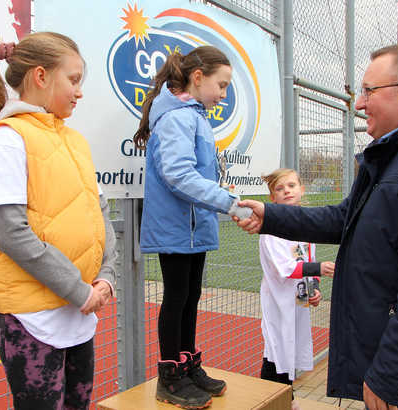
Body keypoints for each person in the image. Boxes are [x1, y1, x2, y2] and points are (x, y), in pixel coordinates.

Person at [236, 44, 398, 409]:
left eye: (368, 91)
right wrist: (272, 215)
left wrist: (390, 372)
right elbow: (344, 219)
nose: (359, 104)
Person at [0, 32, 117, 409]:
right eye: (73, 80)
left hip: (80, 314)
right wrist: (78, 289)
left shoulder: (76, 142)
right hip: (34, 319)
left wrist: (106, 277)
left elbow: (99, 215)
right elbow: (11, 233)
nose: (79, 92)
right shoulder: (7, 140)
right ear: (40, 76)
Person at [133, 45, 252, 409]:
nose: (224, 94)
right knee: (176, 298)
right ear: (198, 78)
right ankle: (169, 377)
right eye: (222, 84)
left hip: (192, 226)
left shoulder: (195, 115)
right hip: (175, 227)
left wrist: (219, 189)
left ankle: (187, 366)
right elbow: (177, 175)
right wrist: (227, 202)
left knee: (191, 296)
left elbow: (196, 173)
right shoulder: (176, 117)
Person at [258, 168, 334, 410]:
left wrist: (313, 290)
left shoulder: (304, 222)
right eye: (279, 189)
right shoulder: (270, 229)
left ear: (301, 190)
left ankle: (287, 399)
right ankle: (270, 402)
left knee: (290, 351)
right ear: (272, 198)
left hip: (297, 301)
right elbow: (287, 268)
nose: (286, 191)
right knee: (276, 351)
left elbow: (306, 257)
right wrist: (320, 268)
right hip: (278, 302)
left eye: (291, 186)